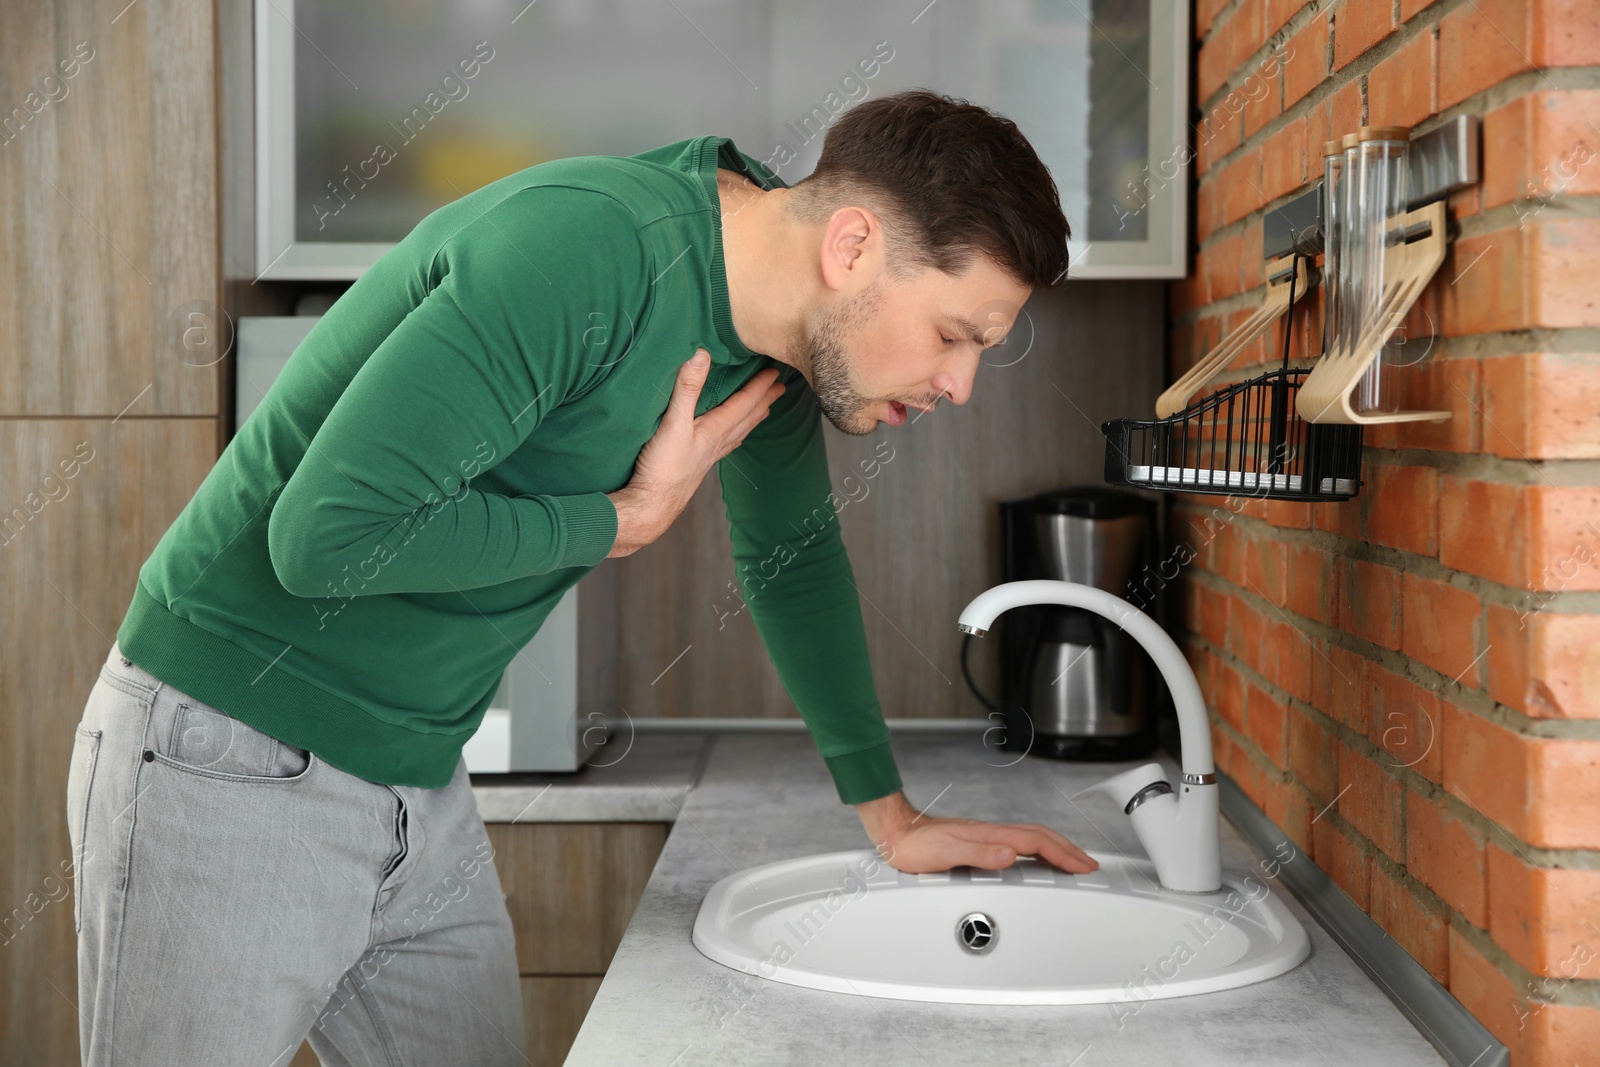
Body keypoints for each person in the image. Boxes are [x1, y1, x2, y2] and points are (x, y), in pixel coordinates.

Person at [67, 88, 1098, 1066]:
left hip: (414, 772)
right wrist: (620, 521)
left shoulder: (776, 349)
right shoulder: (593, 253)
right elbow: (328, 536)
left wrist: (891, 815)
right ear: (853, 245)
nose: (959, 384)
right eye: (955, 336)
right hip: (226, 747)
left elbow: (790, 562)